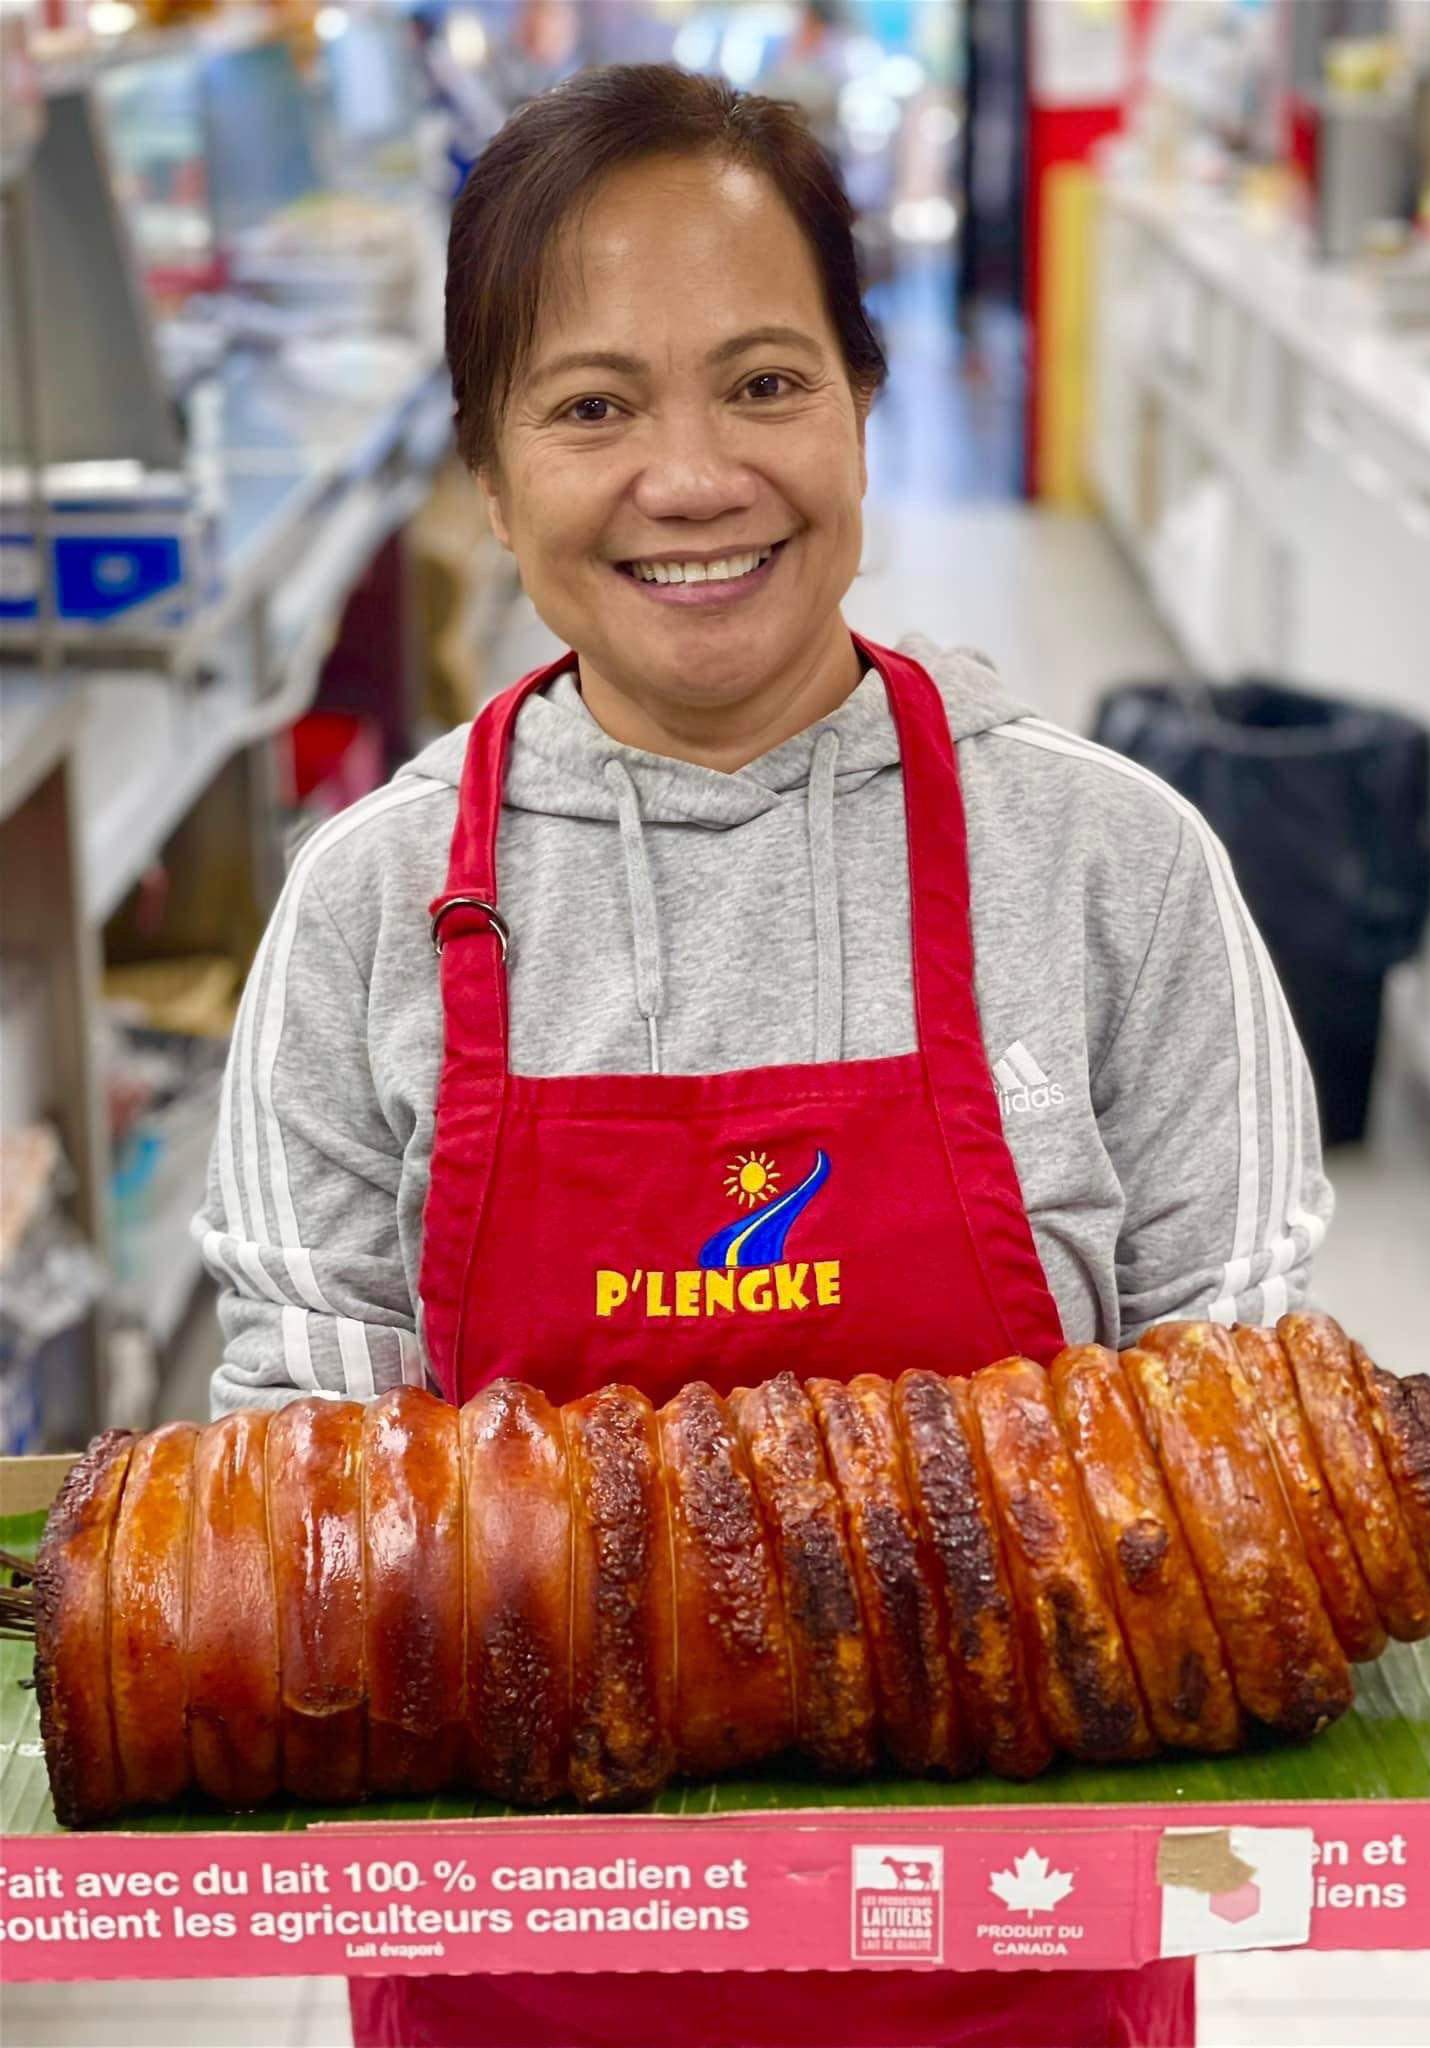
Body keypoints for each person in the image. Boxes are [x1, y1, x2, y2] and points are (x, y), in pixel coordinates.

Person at [197, 63, 1331, 2048]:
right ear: (487, 471)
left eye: (767, 382)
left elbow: (1233, 1502)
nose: (695, 475)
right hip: (522, 2000)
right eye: (592, 406)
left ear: (868, 410)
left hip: (1024, 1992)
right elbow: (315, 1538)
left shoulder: (1111, 869)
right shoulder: (369, 910)